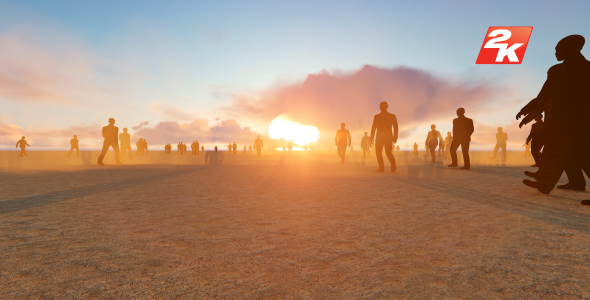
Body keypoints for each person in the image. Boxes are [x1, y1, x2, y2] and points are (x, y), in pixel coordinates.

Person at [517, 35, 590, 195]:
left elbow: (542, 97)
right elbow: (544, 98)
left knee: (582, 156)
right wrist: (527, 110)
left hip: (573, 123)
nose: (556, 54)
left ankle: (546, 182)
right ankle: (544, 183)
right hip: (574, 123)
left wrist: (527, 109)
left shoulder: (559, 71)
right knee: (559, 153)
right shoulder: (581, 68)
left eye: (557, 50)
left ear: (569, 49)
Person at [370, 102, 398, 172]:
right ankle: (383, 167)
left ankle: (388, 165)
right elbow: (373, 127)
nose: (381, 107)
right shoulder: (379, 116)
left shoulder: (390, 116)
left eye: (382, 106)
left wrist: (395, 136)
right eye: (380, 106)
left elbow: (395, 127)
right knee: (382, 152)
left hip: (382, 136)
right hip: (384, 136)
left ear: (386, 107)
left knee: (385, 152)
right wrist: (372, 137)